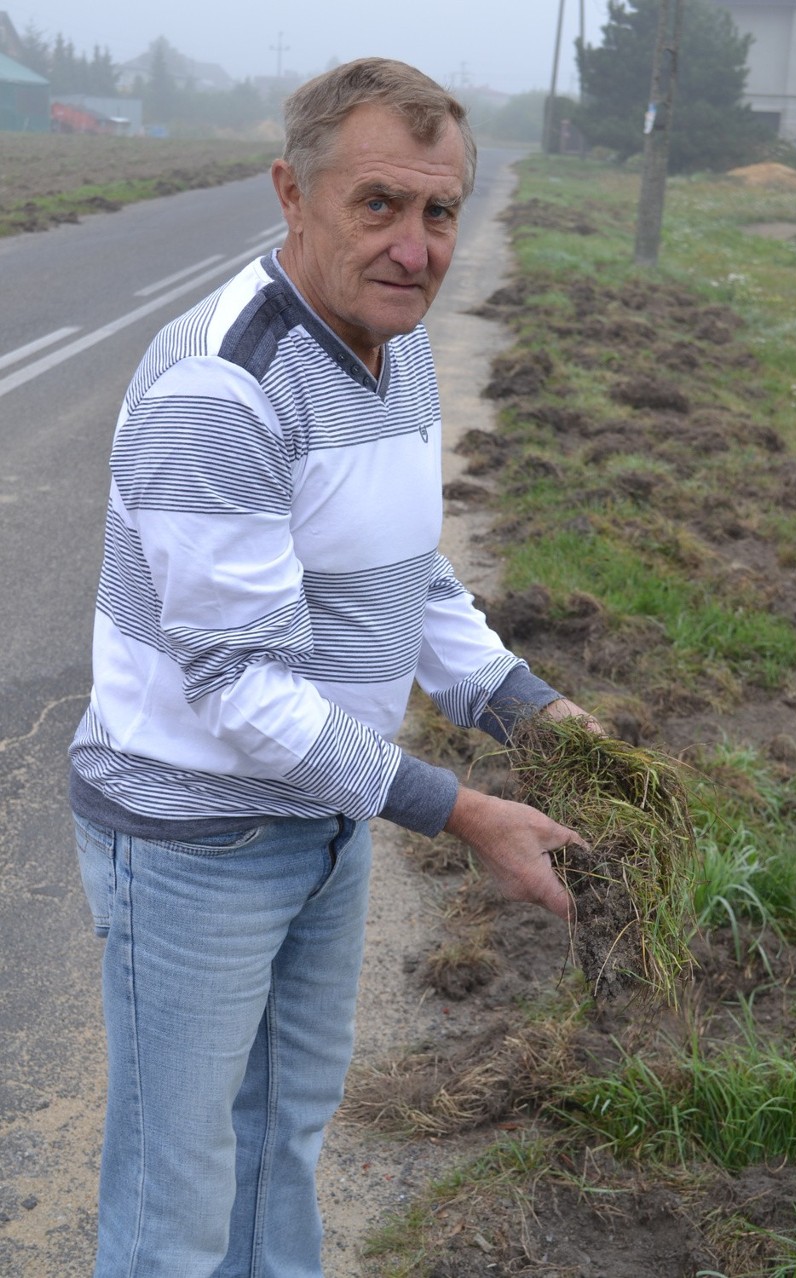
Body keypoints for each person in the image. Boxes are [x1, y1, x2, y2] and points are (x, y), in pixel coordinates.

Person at [69, 57, 597, 1277]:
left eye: (440, 211)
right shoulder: (225, 386)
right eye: (378, 205)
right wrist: (461, 811)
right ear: (292, 195)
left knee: (282, 1148)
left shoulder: (394, 345)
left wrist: (542, 717)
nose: (416, 247)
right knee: (177, 1189)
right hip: (194, 842)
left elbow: (408, 577)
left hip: (324, 824)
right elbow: (243, 691)